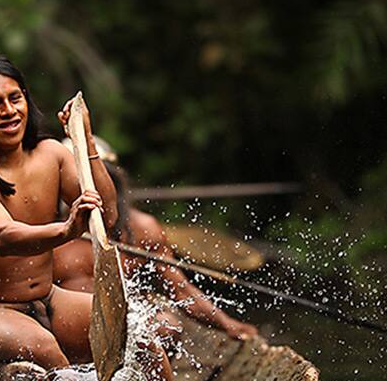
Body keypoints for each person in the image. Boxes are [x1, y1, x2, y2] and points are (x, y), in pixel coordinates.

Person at [0, 53, 181, 381]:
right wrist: (67, 230)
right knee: (45, 349)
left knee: (140, 334)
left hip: (49, 298)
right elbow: (4, 237)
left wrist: (86, 144)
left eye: (14, 98)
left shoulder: (52, 153)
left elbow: (109, 216)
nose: (8, 111)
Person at [52, 139, 258, 341]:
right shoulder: (45, 233)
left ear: (111, 181)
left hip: (128, 329)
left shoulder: (141, 229)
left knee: (166, 326)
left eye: (97, 180)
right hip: (69, 333)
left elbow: (180, 290)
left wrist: (227, 324)